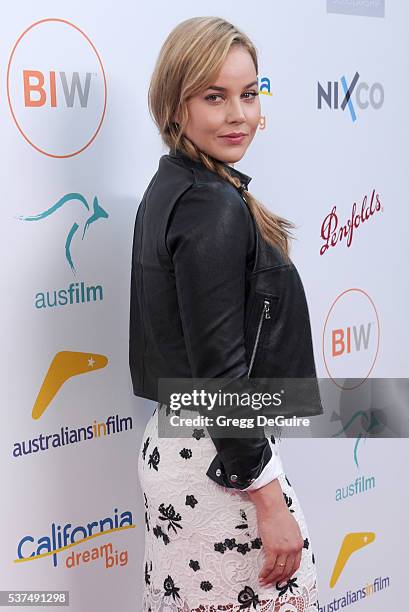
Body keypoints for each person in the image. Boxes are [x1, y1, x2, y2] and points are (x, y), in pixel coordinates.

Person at [129, 16, 322, 611]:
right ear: (175, 105)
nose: (240, 114)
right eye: (215, 97)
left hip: (189, 452)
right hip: (221, 468)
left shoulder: (175, 188)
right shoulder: (210, 205)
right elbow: (219, 375)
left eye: (249, 93)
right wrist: (268, 500)